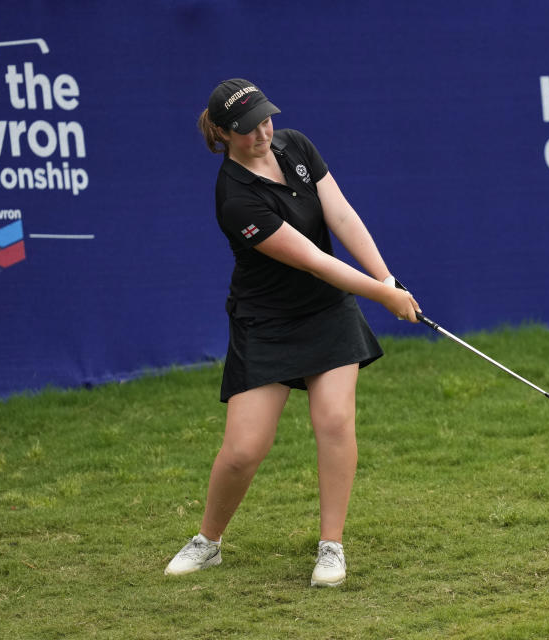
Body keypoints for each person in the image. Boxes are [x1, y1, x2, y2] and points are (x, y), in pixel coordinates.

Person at [165, 78, 420, 587]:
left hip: (327, 312)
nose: (262, 133)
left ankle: (331, 546)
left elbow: (341, 215)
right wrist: (382, 295)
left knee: (334, 419)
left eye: (265, 120)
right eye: (248, 129)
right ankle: (209, 541)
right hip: (267, 321)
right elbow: (316, 260)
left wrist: (387, 277)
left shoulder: (296, 145)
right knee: (243, 450)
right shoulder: (234, 198)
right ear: (223, 133)